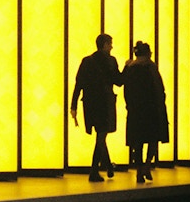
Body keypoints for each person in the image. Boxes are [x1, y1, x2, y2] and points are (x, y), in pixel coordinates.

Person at [71, 33, 124, 182]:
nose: (112, 46)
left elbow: (78, 84)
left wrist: (73, 105)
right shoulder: (111, 61)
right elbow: (119, 81)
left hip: (90, 103)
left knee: (100, 134)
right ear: (105, 44)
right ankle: (99, 168)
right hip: (105, 102)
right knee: (102, 134)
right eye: (110, 44)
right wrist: (127, 68)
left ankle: (103, 168)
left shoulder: (87, 61)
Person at [123, 41, 169, 183]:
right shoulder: (151, 68)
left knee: (137, 142)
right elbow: (159, 90)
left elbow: (127, 90)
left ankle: (138, 170)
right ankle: (147, 165)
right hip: (152, 109)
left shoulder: (131, 69)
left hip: (136, 110)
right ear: (148, 53)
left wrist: (130, 106)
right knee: (153, 139)